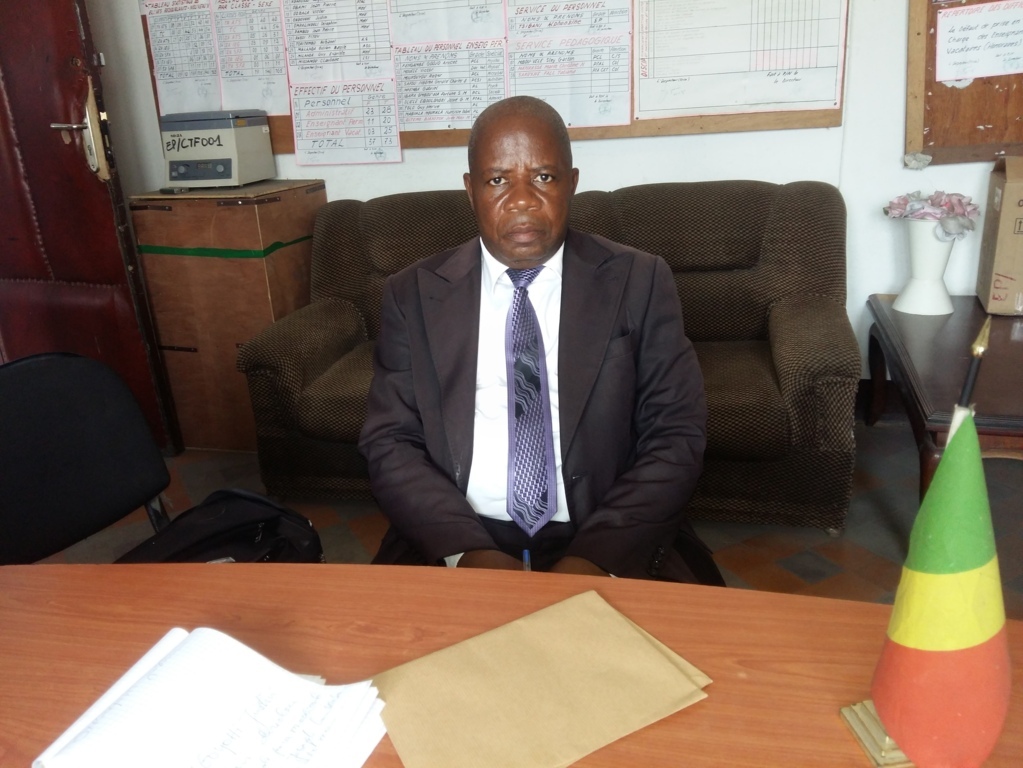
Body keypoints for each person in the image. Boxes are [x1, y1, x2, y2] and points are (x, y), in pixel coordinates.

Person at [358, 95, 722, 584]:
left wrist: (594, 559)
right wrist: (465, 552)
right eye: (497, 180)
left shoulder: (640, 280)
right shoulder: (413, 294)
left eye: (544, 177)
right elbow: (390, 440)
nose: (522, 200)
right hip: (457, 534)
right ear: (470, 190)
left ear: (572, 183)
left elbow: (676, 435)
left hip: (604, 533)